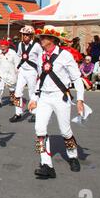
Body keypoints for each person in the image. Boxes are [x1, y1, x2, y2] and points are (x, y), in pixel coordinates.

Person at [28, 26, 86, 180]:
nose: (41, 39)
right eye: (40, 37)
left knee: (65, 131)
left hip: (61, 97)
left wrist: (80, 99)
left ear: (53, 39)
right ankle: (46, 165)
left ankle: (73, 156)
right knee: (39, 130)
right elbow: (40, 78)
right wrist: (34, 98)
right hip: (44, 98)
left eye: (44, 37)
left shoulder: (65, 55)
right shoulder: (40, 55)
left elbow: (76, 78)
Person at [11, 26, 43, 123]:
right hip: (23, 71)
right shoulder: (20, 45)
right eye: (24, 34)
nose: (25, 36)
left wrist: (40, 74)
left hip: (32, 72)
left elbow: (40, 59)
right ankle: (18, 113)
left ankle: (34, 112)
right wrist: (18, 67)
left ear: (31, 36)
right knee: (17, 92)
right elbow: (18, 56)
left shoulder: (37, 46)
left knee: (32, 93)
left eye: (27, 35)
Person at [0, 39, 20, 109]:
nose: (2, 48)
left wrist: (17, 72)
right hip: (1, 73)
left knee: (12, 87)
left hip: (11, 73)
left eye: (4, 47)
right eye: (1, 47)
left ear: (7, 46)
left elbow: (17, 63)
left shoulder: (13, 53)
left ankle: (12, 99)